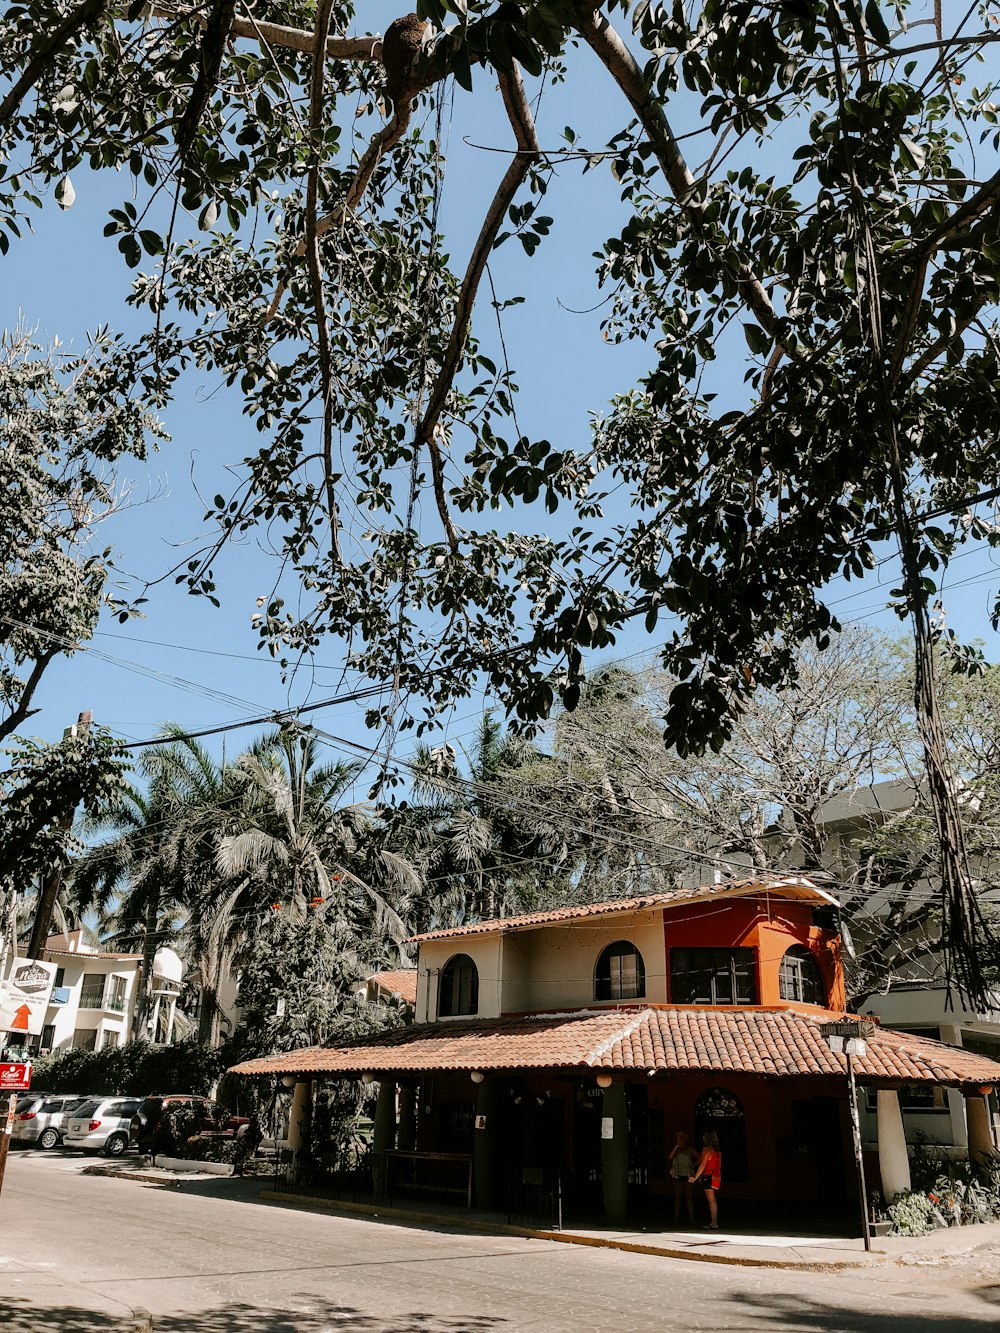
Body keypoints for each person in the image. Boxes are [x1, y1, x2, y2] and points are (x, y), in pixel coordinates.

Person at [689, 1130, 722, 1230]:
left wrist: (695, 1177)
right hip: (716, 1176)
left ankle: (714, 1222)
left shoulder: (706, 1150)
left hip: (708, 1176)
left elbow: (703, 1164)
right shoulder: (717, 1151)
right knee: (713, 1200)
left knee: (711, 1200)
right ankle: (714, 1222)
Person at [668, 1129, 695, 1225]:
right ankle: (676, 1216)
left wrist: (692, 1166)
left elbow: (700, 1158)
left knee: (689, 1196)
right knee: (678, 1196)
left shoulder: (689, 1149)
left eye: (681, 1139)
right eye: (678, 1139)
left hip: (687, 1174)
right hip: (677, 1173)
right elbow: (670, 1157)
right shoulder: (676, 1150)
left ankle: (691, 1217)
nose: (680, 1141)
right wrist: (676, 1147)